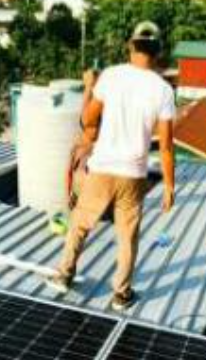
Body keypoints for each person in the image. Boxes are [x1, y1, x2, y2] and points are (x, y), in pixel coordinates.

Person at [47, 21, 176, 312]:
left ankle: (64, 275)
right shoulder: (163, 90)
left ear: (131, 46)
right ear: (158, 51)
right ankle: (121, 294)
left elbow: (88, 119)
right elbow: (167, 146)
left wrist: (90, 90)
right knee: (127, 237)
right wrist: (169, 185)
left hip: (103, 168)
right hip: (133, 175)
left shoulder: (111, 76)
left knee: (80, 224)